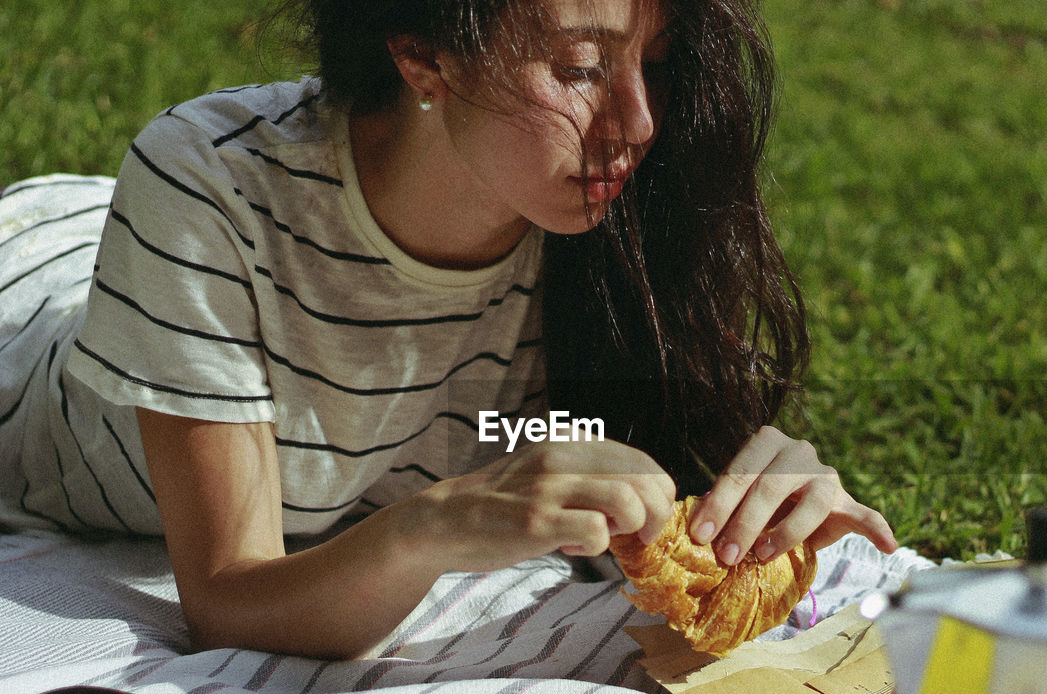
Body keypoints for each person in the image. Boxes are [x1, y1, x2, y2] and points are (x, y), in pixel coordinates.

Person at [0, 0, 895, 659]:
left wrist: (748, 491)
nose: (640, 121)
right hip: (32, 286)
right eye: (582, 67)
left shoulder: (594, 219)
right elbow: (231, 604)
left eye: (653, 64)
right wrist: (435, 527)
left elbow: (555, 441)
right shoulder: (210, 191)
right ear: (424, 55)